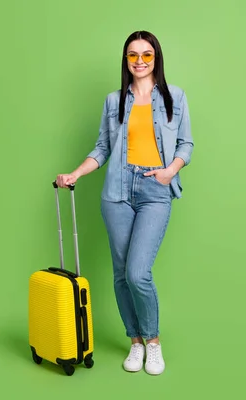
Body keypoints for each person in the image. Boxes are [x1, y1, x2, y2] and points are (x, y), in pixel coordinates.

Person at [55, 30, 194, 375]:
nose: (140, 61)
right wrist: (75, 174)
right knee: (120, 274)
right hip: (117, 191)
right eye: (133, 55)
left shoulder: (174, 96)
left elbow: (186, 145)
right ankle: (135, 342)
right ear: (126, 60)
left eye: (147, 54)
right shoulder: (113, 100)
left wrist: (169, 171)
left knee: (137, 272)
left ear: (156, 58)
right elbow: (102, 148)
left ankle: (153, 342)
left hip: (155, 191)